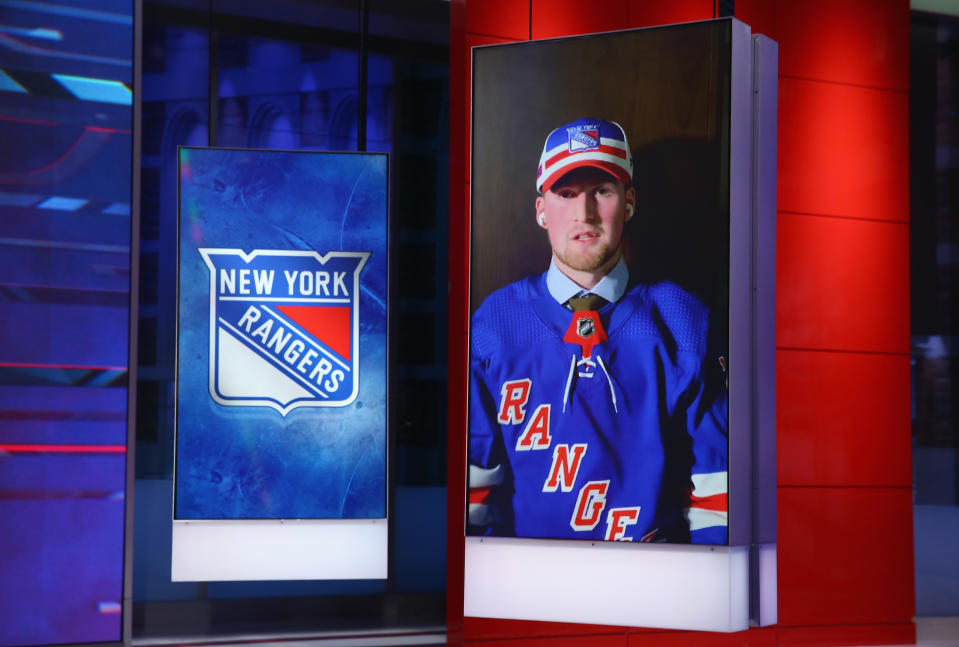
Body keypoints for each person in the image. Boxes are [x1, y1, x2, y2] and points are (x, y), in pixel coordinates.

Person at [468, 118, 728, 544]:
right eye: (566, 193)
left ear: (628, 203)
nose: (584, 213)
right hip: (529, 582)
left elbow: (718, 495)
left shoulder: (683, 320)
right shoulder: (494, 324)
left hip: (651, 587)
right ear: (541, 210)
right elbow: (476, 494)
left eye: (601, 192)